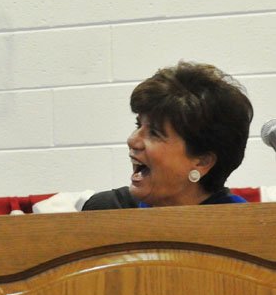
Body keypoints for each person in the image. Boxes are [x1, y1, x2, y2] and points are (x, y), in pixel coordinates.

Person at [83, 61, 253, 210]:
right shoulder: (107, 210)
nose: (132, 140)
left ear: (202, 161)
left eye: (154, 133)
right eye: (138, 125)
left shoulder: (246, 228)